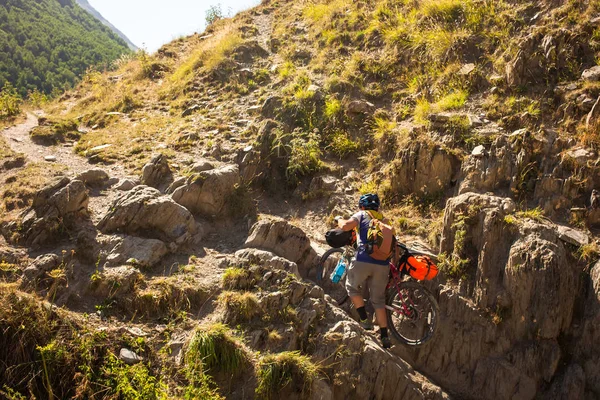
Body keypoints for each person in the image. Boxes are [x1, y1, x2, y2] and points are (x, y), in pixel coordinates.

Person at [336, 193, 394, 349]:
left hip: (363, 260)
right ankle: (384, 336)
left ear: (362, 206)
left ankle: (364, 320)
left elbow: (345, 226)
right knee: (379, 301)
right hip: (383, 264)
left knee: (351, 287)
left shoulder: (361, 215)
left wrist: (338, 219)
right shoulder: (385, 220)